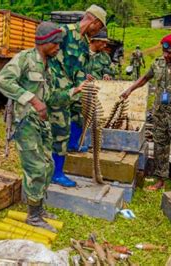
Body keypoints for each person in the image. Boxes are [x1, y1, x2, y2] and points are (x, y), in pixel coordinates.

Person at [0, 22, 84, 232]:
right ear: (45, 42)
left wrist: (74, 91)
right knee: (36, 168)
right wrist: (32, 99)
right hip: (25, 124)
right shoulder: (25, 59)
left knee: (48, 166)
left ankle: (38, 208)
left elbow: (51, 98)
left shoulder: (48, 66)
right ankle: (33, 216)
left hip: (42, 125)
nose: (58, 49)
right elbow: (2, 80)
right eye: (56, 44)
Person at [120, 32, 171, 191]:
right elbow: (144, 78)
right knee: (160, 148)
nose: (165, 55)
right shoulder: (158, 64)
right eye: (164, 52)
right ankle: (160, 180)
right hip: (160, 116)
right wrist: (130, 89)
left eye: (169, 52)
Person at [48, 4, 106, 187]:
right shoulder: (63, 32)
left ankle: (69, 152)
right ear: (94, 21)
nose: (98, 32)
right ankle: (55, 173)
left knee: (77, 118)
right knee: (58, 131)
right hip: (56, 91)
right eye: (99, 27)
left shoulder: (83, 42)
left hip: (72, 92)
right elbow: (43, 54)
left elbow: (78, 68)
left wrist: (84, 78)